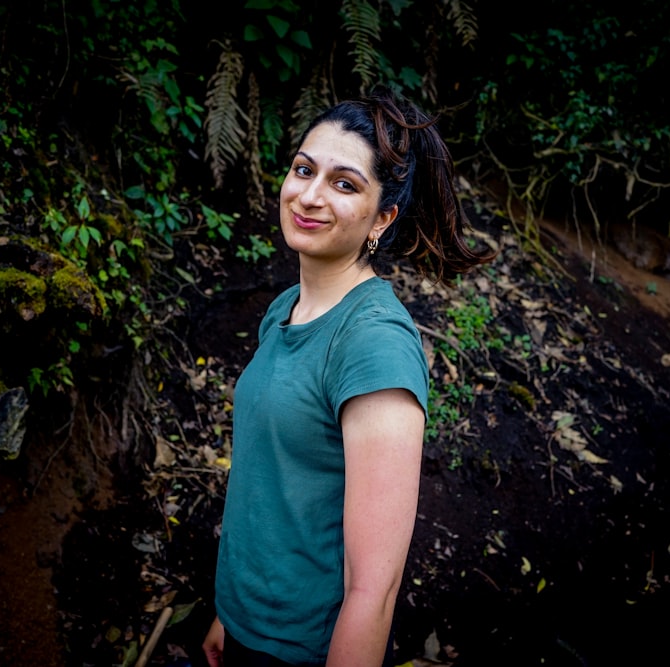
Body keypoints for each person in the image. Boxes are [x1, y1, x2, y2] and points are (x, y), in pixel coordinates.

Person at [202, 86, 494, 667]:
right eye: (303, 169)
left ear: (382, 218)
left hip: (298, 651)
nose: (309, 196)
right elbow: (273, 484)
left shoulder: (373, 345)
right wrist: (227, 616)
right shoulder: (285, 307)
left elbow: (373, 589)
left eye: (344, 184)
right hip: (243, 626)